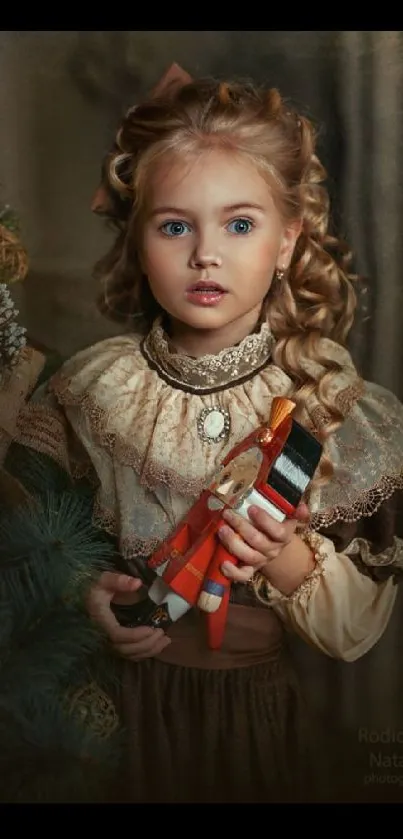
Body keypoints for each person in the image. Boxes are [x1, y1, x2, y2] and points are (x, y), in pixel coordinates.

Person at [16, 73, 403, 803]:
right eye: (173, 226)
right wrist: (85, 599)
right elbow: (33, 547)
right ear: (137, 240)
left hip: (254, 719)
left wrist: (283, 555)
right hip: (109, 716)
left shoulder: (329, 402)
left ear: (287, 239)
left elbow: (356, 631)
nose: (204, 254)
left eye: (238, 224)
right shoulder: (92, 391)